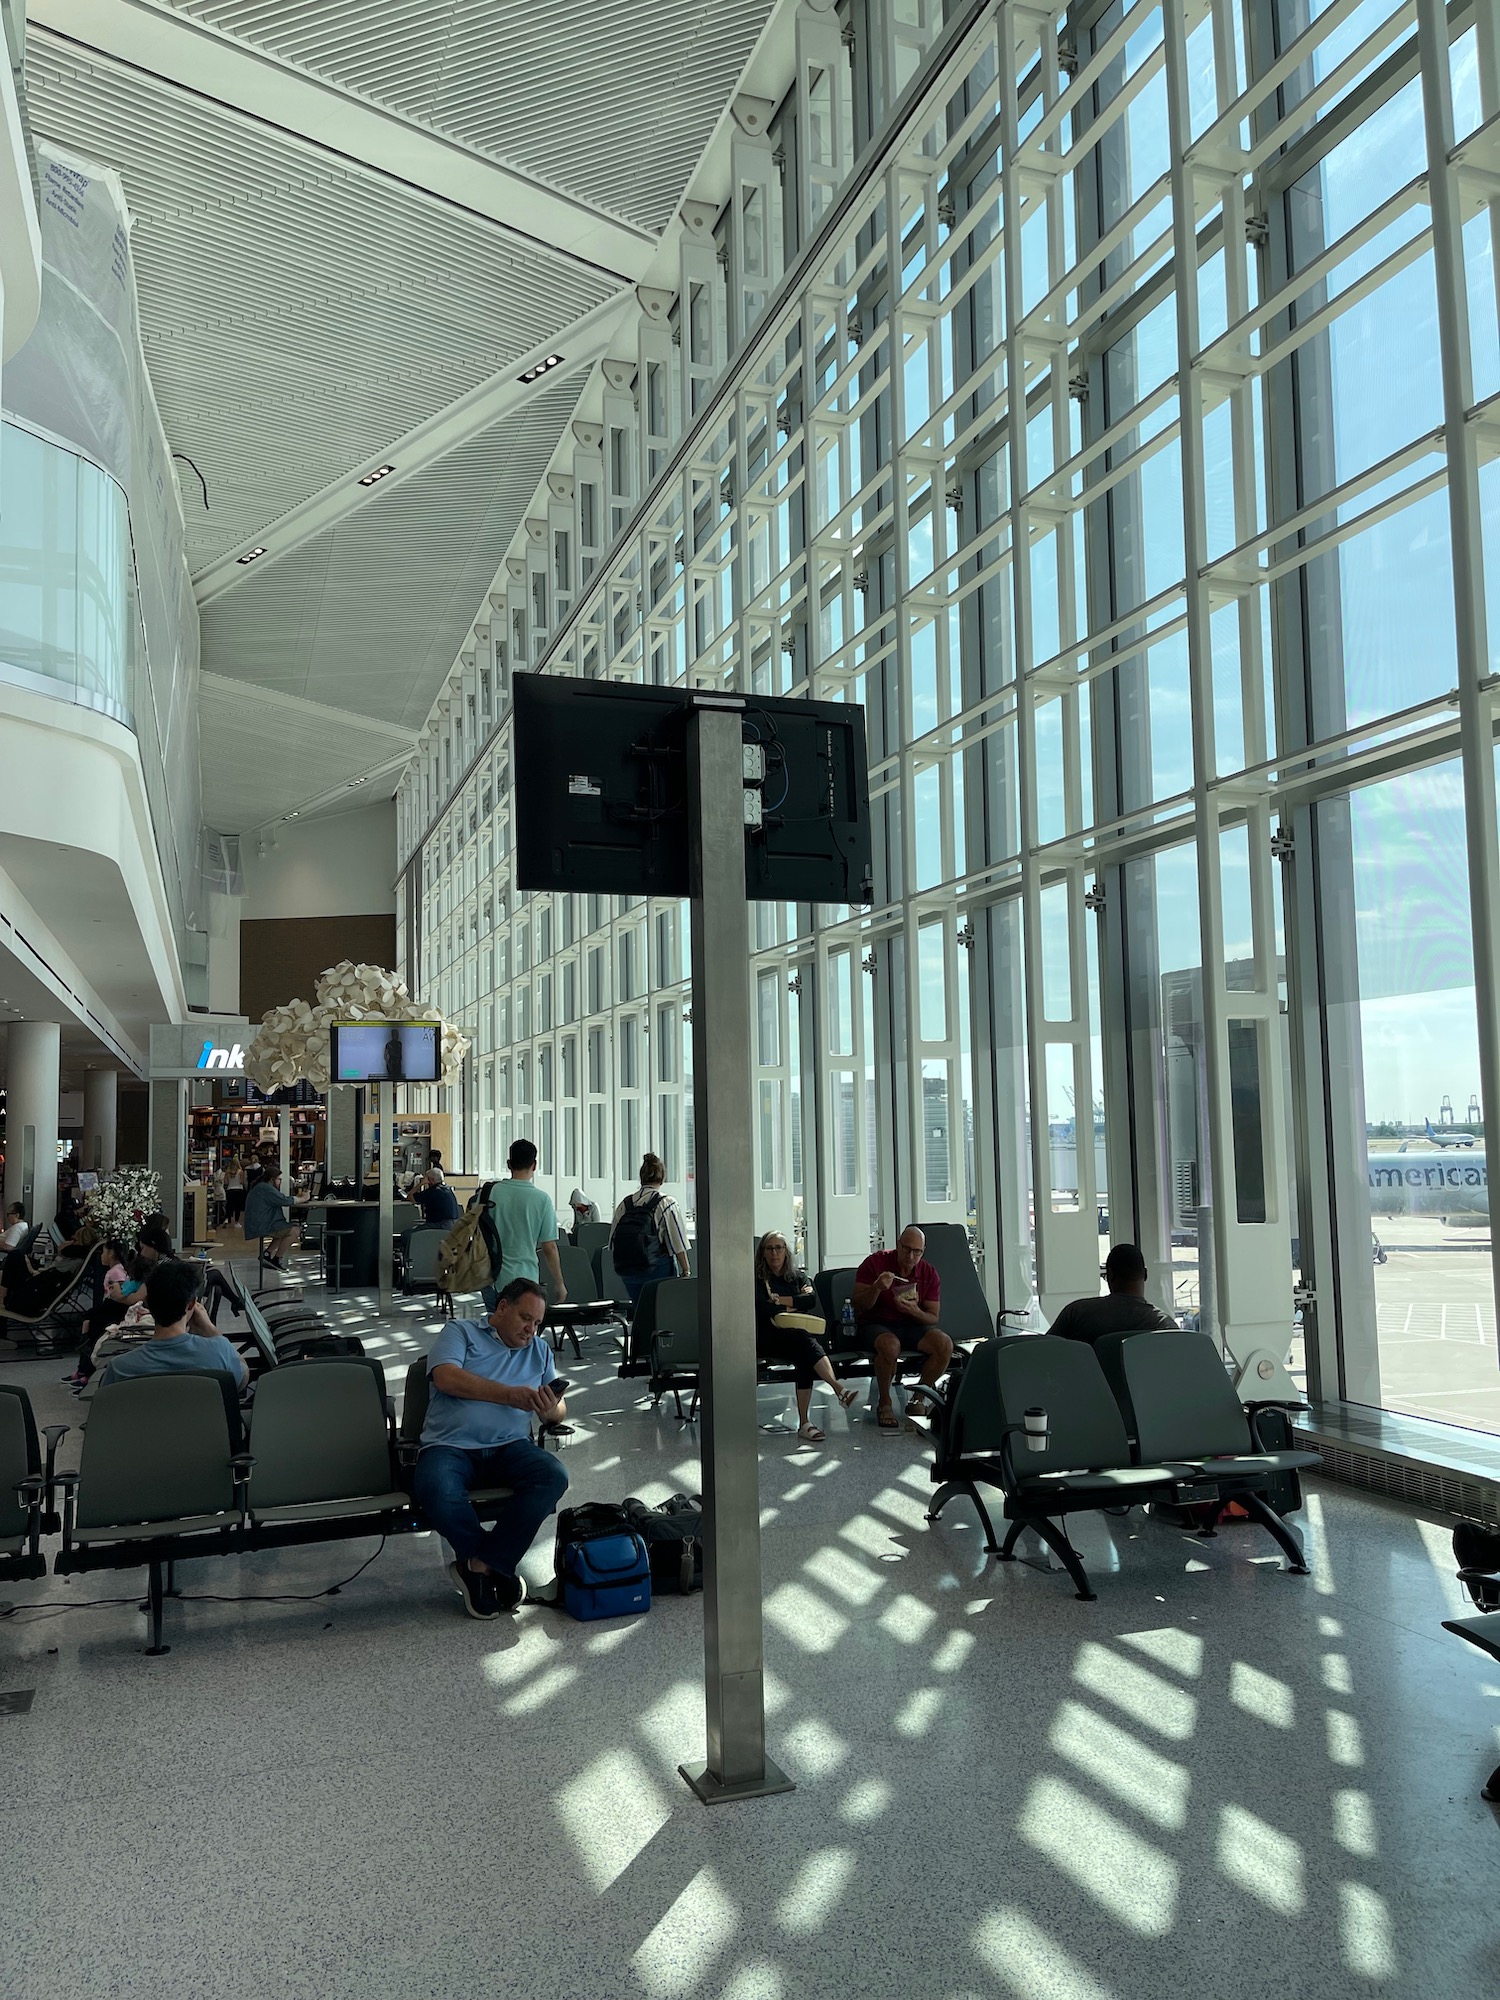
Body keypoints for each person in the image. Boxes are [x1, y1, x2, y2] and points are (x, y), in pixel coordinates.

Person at [412, 1277, 569, 1618]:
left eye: (538, 1323)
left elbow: (558, 1410)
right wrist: (510, 1394)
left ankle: (480, 1565)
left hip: (509, 1446)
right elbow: (445, 1378)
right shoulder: (461, 1332)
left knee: (552, 1475)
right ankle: (494, 1564)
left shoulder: (539, 1351)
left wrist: (550, 1408)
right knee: (435, 1486)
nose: (531, 1330)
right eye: (526, 1318)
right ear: (501, 1308)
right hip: (450, 1446)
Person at [755, 1232, 858, 1444]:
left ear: (786, 1252)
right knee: (804, 1343)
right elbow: (763, 1308)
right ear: (763, 1253)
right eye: (769, 1248)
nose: (774, 1253)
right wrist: (794, 1303)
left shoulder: (798, 1276)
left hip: (796, 1337)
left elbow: (810, 1299)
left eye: (779, 1248)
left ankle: (805, 1423)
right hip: (768, 1338)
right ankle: (838, 1389)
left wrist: (780, 1301)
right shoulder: (757, 1280)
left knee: (804, 1352)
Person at [853, 1225, 954, 1434]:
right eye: (907, 1249)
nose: (910, 1256)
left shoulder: (928, 1272)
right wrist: (876, 1288)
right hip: (875, 1323)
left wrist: (915, 1310)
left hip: (911, 1325)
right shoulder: (876, 1263)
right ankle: (885, 1402)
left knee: (944, 1344)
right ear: (898, 1245)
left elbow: (932, 1317)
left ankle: (919, 1396)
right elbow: (858, 1304)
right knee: (890, 1345)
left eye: (916, 1252)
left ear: (922, 1251)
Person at [97, 1258, 248, 1391]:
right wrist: (211, 1330)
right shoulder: (220, 1352)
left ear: (147, 1302)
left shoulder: (120, 1369)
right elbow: (241, 1381)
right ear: (191, 1305)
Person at [483, 1139, 565, 1310]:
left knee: (494, 1333)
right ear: (534, 1165)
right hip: (526, 1279)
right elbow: (549, 1247)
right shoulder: (542, 1200)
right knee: (523, 1334)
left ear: (508, 1164)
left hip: (492, 1278)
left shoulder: (490, 1193)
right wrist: (559, 1283)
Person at [1047, 1243, 1179, 1345]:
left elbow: (1044, 1350)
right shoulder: (1164, 1325)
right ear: (1145, 1274)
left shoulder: (1076, 1313)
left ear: (1110, 1275)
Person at [609, 1153, 690, 1306]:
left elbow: (612, 1241)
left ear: (642, 1177)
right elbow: (678, 1243)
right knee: (660, 1311)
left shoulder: (625, 1204)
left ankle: (640, 1329)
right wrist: (686, 1271)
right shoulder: (667, 1203)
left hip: (627, 1270)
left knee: (640, 1310)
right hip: (656, 1269)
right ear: (662, 1177)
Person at [66, 1236, 140, 1387]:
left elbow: (120, 1293)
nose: (101, 1256)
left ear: (111, 1254)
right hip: (110, 1306)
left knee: (92, 1331)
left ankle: (86, 1370)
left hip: (113, 1307)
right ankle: (83, 1368)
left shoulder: (115, 1272)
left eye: (103, 1252)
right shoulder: (117, 1270)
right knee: (90, 1322)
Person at [243, 1167, 297, 1267]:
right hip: (263, 1224)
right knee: (295, 1231)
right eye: (279, 1179)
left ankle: (267, 1254)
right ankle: (277, 1259)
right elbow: (284, 1200)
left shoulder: (261, 1186)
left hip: (260, 1223)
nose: (280, 1182)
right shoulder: (266, 1188)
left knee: (283, 1229)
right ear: (272, 1179)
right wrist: (302, 1198)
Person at [415, 1166, 460, 1230]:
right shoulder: (448, 1189)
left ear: (432, 1180)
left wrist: (421, 1183)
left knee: (407, 1234)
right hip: (453, 1225)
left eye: (427, 1179)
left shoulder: (433, 1191)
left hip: (440, 1226)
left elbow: (410, 1197)